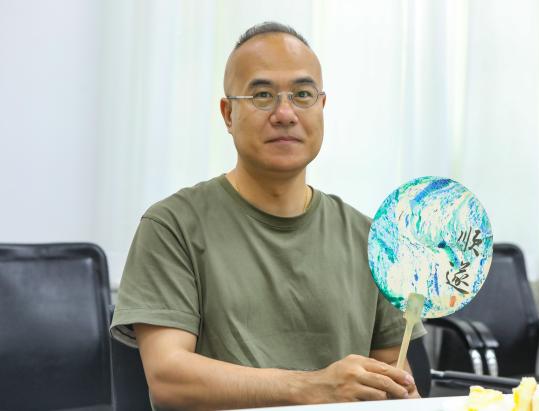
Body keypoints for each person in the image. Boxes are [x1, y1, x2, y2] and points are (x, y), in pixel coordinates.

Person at [110, 21, 427, 410]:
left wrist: (404, 395)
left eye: (303, 95)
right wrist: (314, 388)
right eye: (262, 95)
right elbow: (169, 378)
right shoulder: (172, 226)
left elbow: (393, 378)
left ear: (322, 107)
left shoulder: (372, 239)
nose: (285, 113)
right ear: (228, 114)